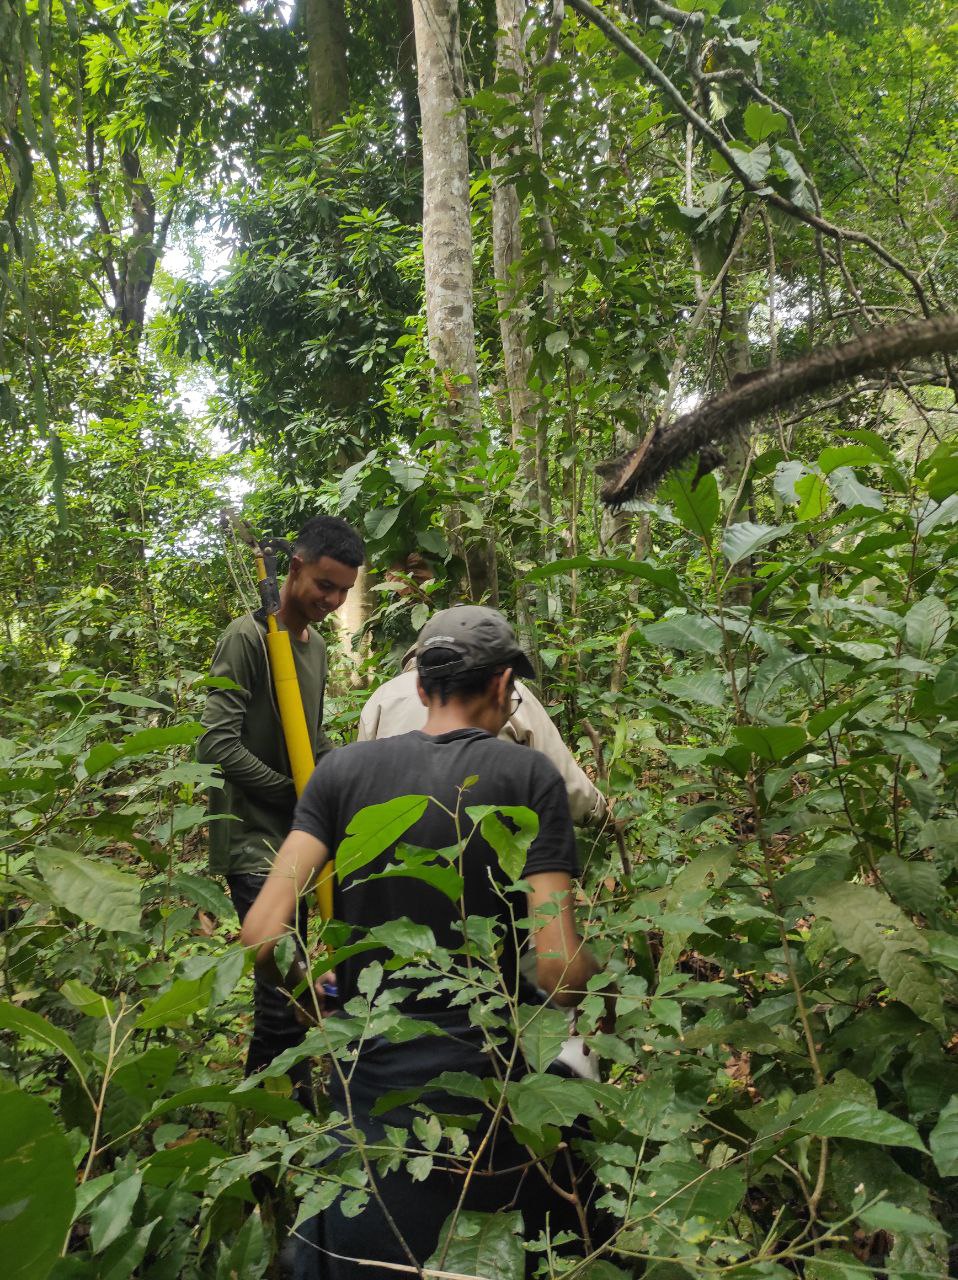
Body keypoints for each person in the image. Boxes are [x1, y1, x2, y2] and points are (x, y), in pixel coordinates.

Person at [241, 606, 606, 1278]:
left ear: (419, 686)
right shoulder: (527, 778)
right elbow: (557, 969)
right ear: (502, 685)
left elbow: (262, 935)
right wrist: (602, 975)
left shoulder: (340, 773)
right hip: (487, 1104)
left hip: (368, 1104)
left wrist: (315, 1004)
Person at [197, 514, 364, 1087]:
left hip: (303, 833)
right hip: (251, 839)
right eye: (325, 585)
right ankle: (266, 1152)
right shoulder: (245, 638)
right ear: (294, 568)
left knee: (335, 981)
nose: (334, 600)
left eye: (344, 589)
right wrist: (296, 791)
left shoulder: (314, 647)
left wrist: (339, 775)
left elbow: (311, 737)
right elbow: (216, 743)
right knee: (280, 998)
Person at [358, 637, 609, 828]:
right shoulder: (509, 691)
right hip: (491, 840)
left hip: (399, 839)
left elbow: (363, 785)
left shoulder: (382, 697)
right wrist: (601, 814)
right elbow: (564, 784)